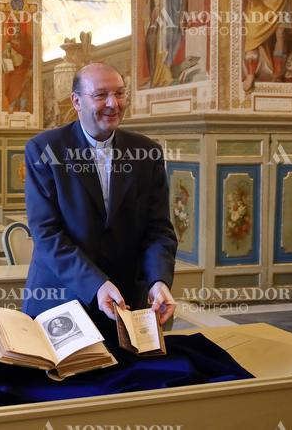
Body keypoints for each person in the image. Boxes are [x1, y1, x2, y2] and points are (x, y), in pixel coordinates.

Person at [23, 63, 178, 334]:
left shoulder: (147, 152)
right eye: (101, 95)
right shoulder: (44, 149)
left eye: (120, 94)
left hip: (127, 303)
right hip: (61, 298)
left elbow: (158, 230)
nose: (113, 103)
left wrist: (158, 280)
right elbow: (47, 234)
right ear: (76, 101)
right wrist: (95, 284)